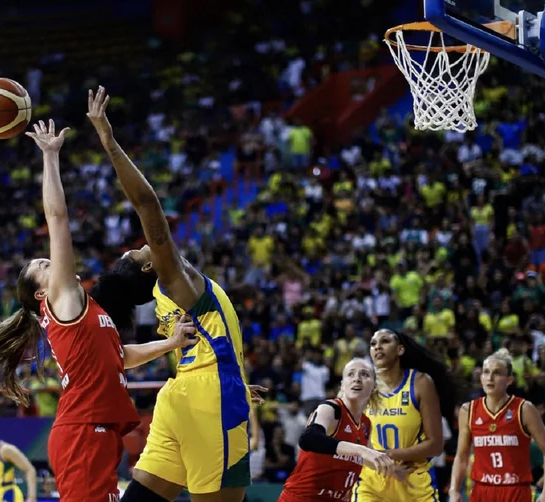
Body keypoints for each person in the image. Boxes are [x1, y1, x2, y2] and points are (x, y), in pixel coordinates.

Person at [0, 119, 197, 502]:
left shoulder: (88, 311)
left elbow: (117, 357)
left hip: (95, 432)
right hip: (83, 432)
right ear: (41, 294)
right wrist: (50, 156)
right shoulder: (63, 302)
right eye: (41, 265)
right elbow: (57, 219)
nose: (48, 261)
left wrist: (170, 343)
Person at [88, 86, 265, 502]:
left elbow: (210, 342)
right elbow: (148, 204)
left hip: (182, 395)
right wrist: (110, 143)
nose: (144, 243)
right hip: (210, 398)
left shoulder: (169, 297)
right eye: (139, 250)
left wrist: (235, 378)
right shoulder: (172, 277)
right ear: (149, 266)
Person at [279, 358, 407, 502]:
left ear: (374, 387)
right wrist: (362, 450)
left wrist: (395, 471)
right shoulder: (331, 409)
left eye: (364, 374)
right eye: (350, 374)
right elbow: (308, 438)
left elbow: (369, 458)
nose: (357, 379)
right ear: (343, 385)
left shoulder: (365, 424)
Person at [353, 329, 454, 502]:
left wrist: (389, 455)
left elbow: (436, 445)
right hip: (372, 481)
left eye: (385, 341)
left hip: (414, 480)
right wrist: (383, 463)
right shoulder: (362, 385)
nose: (377, 347)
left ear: (400, 349)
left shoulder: (421, 383)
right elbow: (351, 441)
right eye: (373, 344)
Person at [449, 349, 545, 502]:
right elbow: (461, 456)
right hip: (481, 490)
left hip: (515, 490)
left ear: (509, 380)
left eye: (497, 373)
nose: (490, 378)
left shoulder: (524, 409)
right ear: (481, 378)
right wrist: (454, 490)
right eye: (486, 372)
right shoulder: (468, 410)